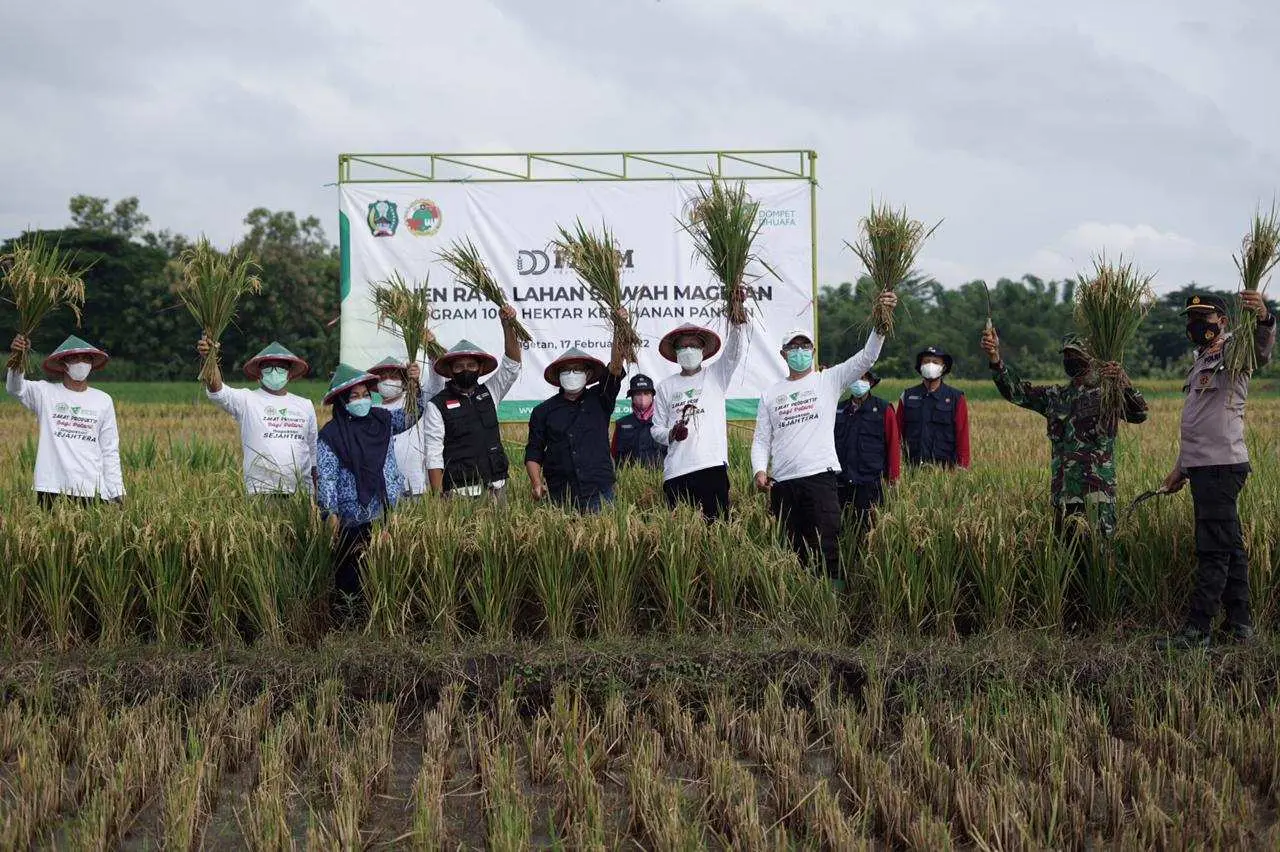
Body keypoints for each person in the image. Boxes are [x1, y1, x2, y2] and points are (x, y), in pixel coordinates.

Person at [1157, 291, 1275, 650]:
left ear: (1222, 322)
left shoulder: (1234, 351)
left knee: (1212, 549)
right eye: (1192, 318)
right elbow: (1199, 422)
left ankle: (1198, 631)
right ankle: (1240, 625)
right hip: (1204, 466)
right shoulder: (1201, 360)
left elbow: (1261, 351)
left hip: (1221, 466)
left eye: (1204, 318)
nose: (1196, 324)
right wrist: (1181, 467)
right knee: (1230, 547)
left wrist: (1263, 318)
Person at [751, 291, 898, 578]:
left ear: (813, 351)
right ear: (783, 354)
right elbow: (761, 439)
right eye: (793, 347)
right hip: (783, 483)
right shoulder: (770, 393)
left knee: (826, 546)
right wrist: (759, 470)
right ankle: (798, 599)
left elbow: (866, 358)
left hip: (820, 478)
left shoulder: (828, 381)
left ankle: (832, 599)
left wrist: (881, 322)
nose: (799, 351)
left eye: (805, 346)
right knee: (791, 551)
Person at [981, 331, 1147, 539]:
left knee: (1099, 555)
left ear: (1091, 357)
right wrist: (995, 358)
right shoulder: (1056, 397)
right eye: (1066, 355)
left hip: (1097, 495)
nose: (1070, 359)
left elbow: (1139, 414)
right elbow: (1017, 392)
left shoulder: (1106, 394)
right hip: (1064, 496)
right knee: (1066, 555)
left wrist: (1123, 383)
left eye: (1075, 354)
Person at [315, 361, 424, 609]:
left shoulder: (383, 421)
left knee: (384, 576)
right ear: (342, 401)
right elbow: (327, 478)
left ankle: (382, 620)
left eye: (365, 395)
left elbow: (413, 413)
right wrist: (330, 513)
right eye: (354, 397)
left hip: (385, 515)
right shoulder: (331, 435)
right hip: (351, 520)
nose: (362, 400)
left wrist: (414, 385)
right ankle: (351, 623)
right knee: (351, 580)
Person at [650, 311, 748, 521]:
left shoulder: (716, 375)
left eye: (693, 345)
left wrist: (737, 323)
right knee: (682, 535)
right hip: (676, 471)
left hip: (710, 466)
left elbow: (733, 353)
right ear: (675, 352)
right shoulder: (665, 386)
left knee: (717, 529)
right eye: (682, 346)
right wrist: (671, 433)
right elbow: (656, 429)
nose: (688, 350)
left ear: (703, 350)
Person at [525, 314, 627, 513]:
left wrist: (619, 325)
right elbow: (533, 452)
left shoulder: (601, 397)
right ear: (558, 376)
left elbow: (615, 366)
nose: (572, 374)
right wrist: (536, 483)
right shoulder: (542, 411)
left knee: (604, 534)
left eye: (577, 370)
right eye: (566, 370)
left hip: (599, 493)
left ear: (588, 375)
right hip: (561, 496)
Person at [6, 334, 124, 507]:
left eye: (86, 359)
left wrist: (116, 491)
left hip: (92, 488)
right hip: (51, 487)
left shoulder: (103, 400)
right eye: (75, 358)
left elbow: (109, 449)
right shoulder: (44, 393)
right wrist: (18, 356)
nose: (81, 363)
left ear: (92, 364)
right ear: (63, 364)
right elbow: (14, 388)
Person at [424, 304, 523, 502]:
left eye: (471, 365)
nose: (465, 370)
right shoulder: (437, 405)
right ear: (450, 371)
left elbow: (512, 365)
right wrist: (437, 501)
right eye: (459, 367)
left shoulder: (490, 392)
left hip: (497, 488)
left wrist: (508, 325)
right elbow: (433, 454)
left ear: (480, 368)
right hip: (460, 494)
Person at [196, 338, 318, 496]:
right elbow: (218, 391)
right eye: (268, 367)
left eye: (281, 367)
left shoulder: (305, 405)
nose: (274, 371)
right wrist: (210, 358)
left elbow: (314, 452)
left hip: (301, 493)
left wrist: (318, 494)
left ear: (289, 373)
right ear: (259, 373)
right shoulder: (247, 400)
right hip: (261, 492)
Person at [833, 370, 900, 533]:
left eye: (863, 378)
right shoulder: (838, 409)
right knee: (842, 531)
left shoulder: (884, 409)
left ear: (871, 382)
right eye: (855, 377)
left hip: (871, 484)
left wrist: (893, 480)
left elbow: (893, 445)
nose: (859, 382)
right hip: (841, 483)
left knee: (869, 531)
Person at [897, 346, 970, 469]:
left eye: (935, 362)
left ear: (943, 368)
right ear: (920, 366)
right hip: (912, 469)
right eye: (926, 361)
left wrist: (962, 469)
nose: (930, 365)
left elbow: (962, 437)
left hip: (945, 471)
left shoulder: (956, 398)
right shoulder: (907, 396)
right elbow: (896, 435)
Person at [611, 374, 665, 469]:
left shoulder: (664, 421)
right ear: (631, 397)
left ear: (652, 396)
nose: (642, 398)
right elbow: (613, 455)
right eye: (638, 394)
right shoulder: (621, 424)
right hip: (629, 477)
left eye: (646, 393)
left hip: (661, 477)